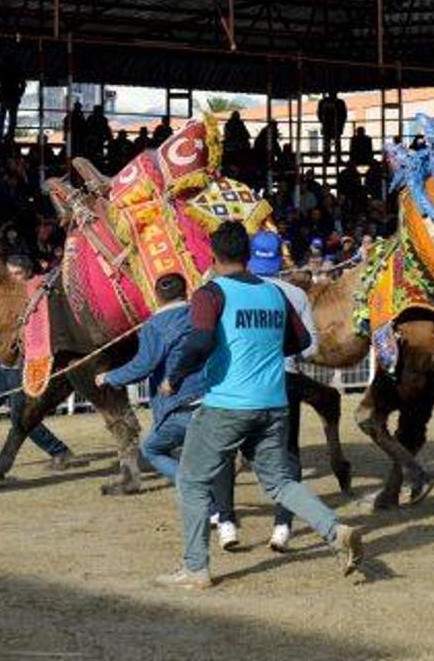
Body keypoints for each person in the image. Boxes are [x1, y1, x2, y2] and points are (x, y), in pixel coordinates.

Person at [156, 221, 364, 589]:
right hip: (274, 402)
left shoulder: (211, 293)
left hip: (228, 403)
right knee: (281, 482)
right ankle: (335, 531)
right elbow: (298, 342)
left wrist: (174, 377)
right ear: (248, 256)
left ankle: (196, 567)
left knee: (191, 479)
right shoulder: (274, 295)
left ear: (213, 256)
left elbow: (201, 343)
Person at [95, 273, 241, 550]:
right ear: (185, 292)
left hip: (180, 405)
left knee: (152, 449)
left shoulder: (155, 326)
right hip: (216, 399)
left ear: (156, 295)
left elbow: (142, 366)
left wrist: (109, 377)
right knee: (217, 459)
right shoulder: (203, 315)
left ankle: (205, 502)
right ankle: (226, 523)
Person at [247, 229, 336, 552]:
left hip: (241, 383)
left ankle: (223, 521)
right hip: (284, 379)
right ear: (281, 259)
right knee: (289, 453)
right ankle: (282, 526)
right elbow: (310, 348)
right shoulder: (295, 295)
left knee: (226, 447)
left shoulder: (233, 290)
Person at [0, 255, 77, 470]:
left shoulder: (39, 291)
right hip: (6, 365)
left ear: (28, 273)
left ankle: (59, 451)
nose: (13, 278)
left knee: (21, 417)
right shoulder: (5, 295)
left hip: (26, 365)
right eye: (10, 274)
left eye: (17, 273)